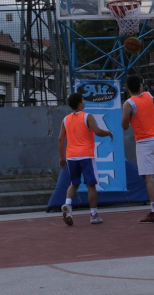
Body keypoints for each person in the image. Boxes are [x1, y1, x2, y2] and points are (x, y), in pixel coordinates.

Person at [59, 92, 113, 226]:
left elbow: (60, 139)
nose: (84, 103)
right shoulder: (87, 116)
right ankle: (93, 215)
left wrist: (61, 157)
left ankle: (67, 205)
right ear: (79, 104)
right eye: (83, 101)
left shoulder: (65, 119)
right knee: (91, 185)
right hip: (86, 156)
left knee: (74, 183)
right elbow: (98, 131)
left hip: (71, 157)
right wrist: (108, 132)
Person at [122, 75, 154, 223]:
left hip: (145, 141)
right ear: (141, 86)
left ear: (127, 88)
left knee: (148, 177)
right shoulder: (148, 96)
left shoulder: (129, 103)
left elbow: (125, 125)